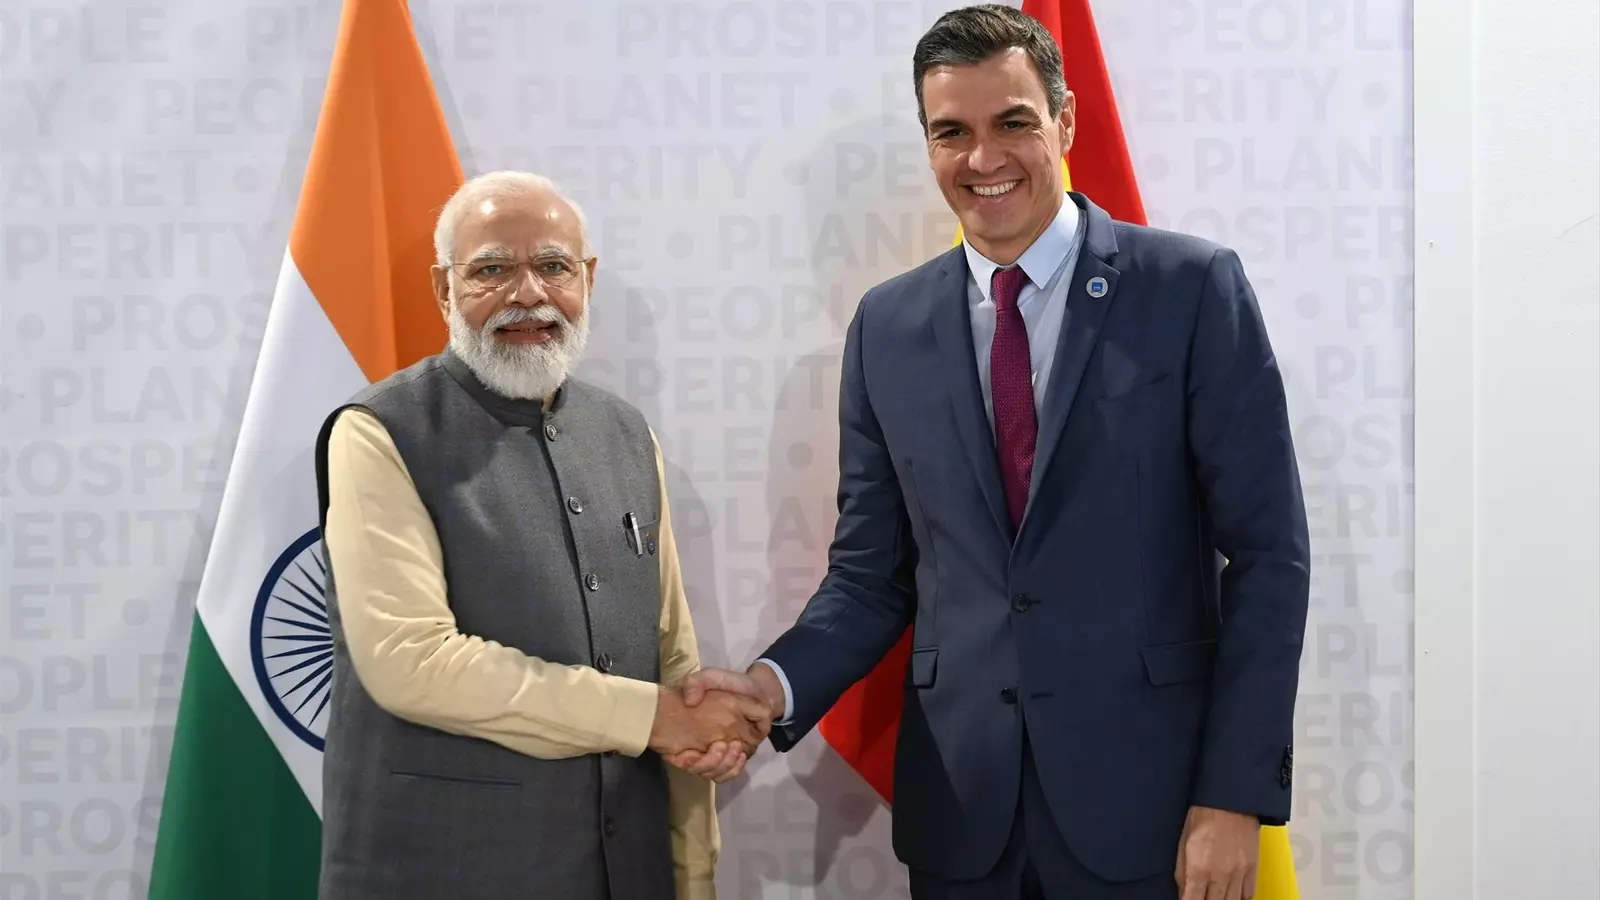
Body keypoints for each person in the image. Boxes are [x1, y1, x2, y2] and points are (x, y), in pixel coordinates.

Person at [676, 6, 1310, 900]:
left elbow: (1270, 557)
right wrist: (772, 686)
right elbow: (870, 577)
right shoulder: (886, 328)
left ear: (1065, 121)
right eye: (952, 132)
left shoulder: (1190, 290)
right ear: (929, 144)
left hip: (1156, 813)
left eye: (1012, 122)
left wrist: (1235, 795)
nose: (983, 158)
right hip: (962, 820)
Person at [311, 171, 771, 900]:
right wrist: (654, 718)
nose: (528, 294)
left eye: (554, 266)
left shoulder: (627, 435)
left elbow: (671, 656)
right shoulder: (379, 434)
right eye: (491, 270)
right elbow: (411, 661)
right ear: (443, 289)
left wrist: (694, 872)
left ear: (587, 279)